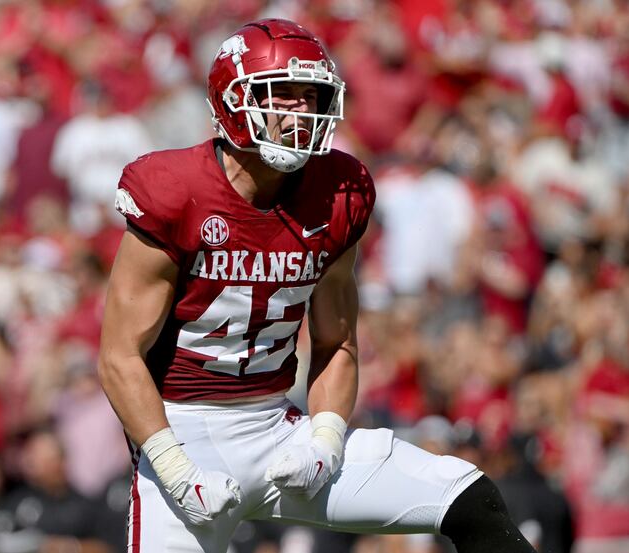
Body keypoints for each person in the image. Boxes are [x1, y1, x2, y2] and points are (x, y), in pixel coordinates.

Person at [98, 18, 537, 553]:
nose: (301, 112)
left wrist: (326, 439)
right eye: (282, 95)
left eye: (312, 96)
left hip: (279, 429)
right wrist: (172, 465)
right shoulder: (174, 189)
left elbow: (337, 343)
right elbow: (120, 356)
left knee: (467, 496)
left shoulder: (337, 193)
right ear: (232, 102)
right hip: (184, 435)